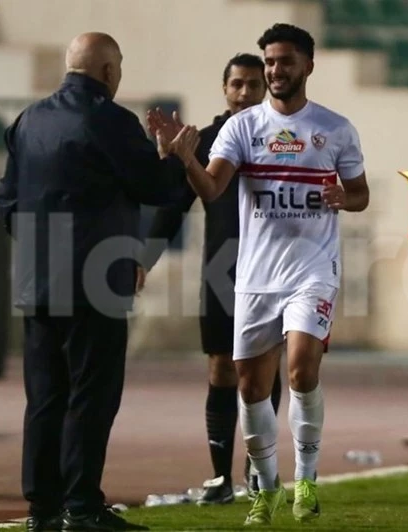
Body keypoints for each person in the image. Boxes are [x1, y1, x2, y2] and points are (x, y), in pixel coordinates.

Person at [154, 23, 370, 525]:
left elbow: (360, 193)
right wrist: (186, 158)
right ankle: (266, 488)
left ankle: (306, 482)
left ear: (307, 66)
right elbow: (211, 190)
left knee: (301, 368)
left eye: (284, 61)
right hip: (255, 278)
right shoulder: (242, 128)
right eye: (270, 61)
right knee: (250, 389)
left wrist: (345, 197)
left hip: (312, 271)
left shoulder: (335, 128)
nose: (275, 70)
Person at [0, 32, 198, 531]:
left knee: (45, 399)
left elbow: (6, 203)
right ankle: (82, 507)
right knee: (92, 396)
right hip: (94, 284)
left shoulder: (27, 120)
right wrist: (175, 156)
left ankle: (42, 510)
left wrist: (41, 250)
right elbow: (155, 187)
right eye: (119, 67)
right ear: (108, 71)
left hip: (38, 284)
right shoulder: (110, 119)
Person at [138, 52, 282, 505]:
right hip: (222, 267)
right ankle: (220, 477)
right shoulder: (201, 141)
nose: (245, 92)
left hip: (274, 269)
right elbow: (172, 205)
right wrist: (144, 258)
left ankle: (258, 470)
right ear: (224, 89)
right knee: (221, 367)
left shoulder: (283, 137)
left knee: (264, 368)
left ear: (265, 89)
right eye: (237, 84)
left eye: (254, 84)